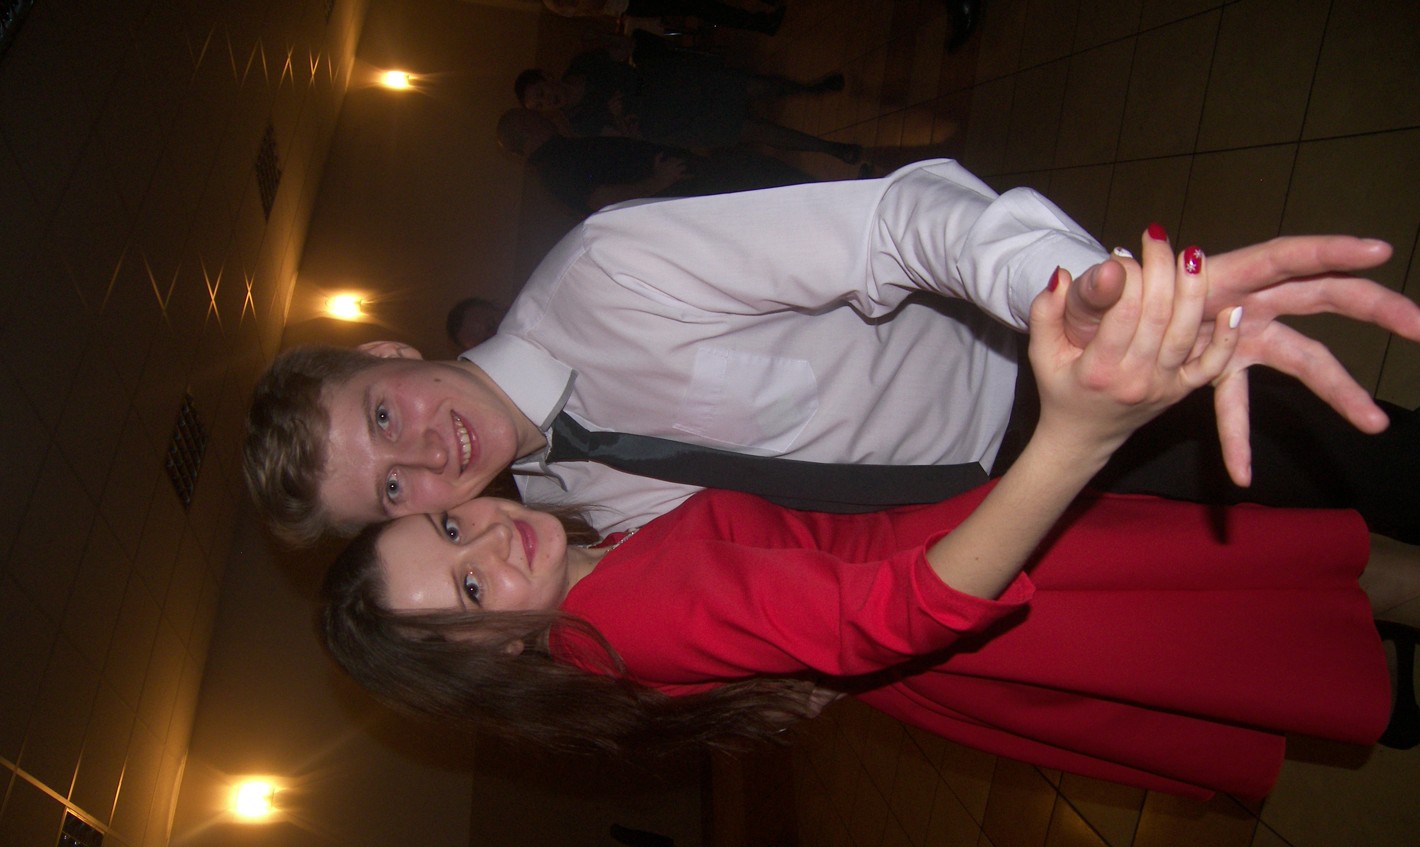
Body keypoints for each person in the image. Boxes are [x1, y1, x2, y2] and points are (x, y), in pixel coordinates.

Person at [320, 245, 1404, 800]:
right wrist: (1068, 443)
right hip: (986, 584)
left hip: (967, 578)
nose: (485, 542)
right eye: (470, 592)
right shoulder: (624, 615)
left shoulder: (591, 581)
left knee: (1288, 599)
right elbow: (889, 614)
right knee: (1286, 609)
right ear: (495, 656)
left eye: (448, 532)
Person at [243, 161, 1420, 546]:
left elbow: (893, 224)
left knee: (1357, 465)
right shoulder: (561, 504)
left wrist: (1060, 300)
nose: (425, 456)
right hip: (995, 525)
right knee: (1292, 551)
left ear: (386, 349)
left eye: (382, 415)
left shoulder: (605, 277)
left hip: (1033, 385)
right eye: (389, 488)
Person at [514, 46, 862, 163]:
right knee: (753, 130)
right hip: (666, 123)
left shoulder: (581, 63)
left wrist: (620, 55)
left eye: (541, 93)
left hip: (669, 82)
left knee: (753, 86)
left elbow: (621, 52)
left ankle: (810, 89)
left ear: (546, 77)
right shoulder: (578, 123)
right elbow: (623, 139)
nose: (548, 101)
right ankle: (832, 149)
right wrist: (618, 117)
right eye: (540, 105)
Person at [496, 108, 814, 215]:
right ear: (525, 127)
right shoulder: (554, 168)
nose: (541, 115)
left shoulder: (557, 155)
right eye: (532, 115)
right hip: (681, 188)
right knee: (767, 182)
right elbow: (600, 199)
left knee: (766, 181)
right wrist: (659, 181)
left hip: (681, 182)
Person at [542, 0, 788, 37]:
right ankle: (761, 23)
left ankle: (761, 20)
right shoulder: (554, 2)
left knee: (703, 7)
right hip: (634, 2)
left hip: (633, 4)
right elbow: (593, 5)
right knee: (703, 7)